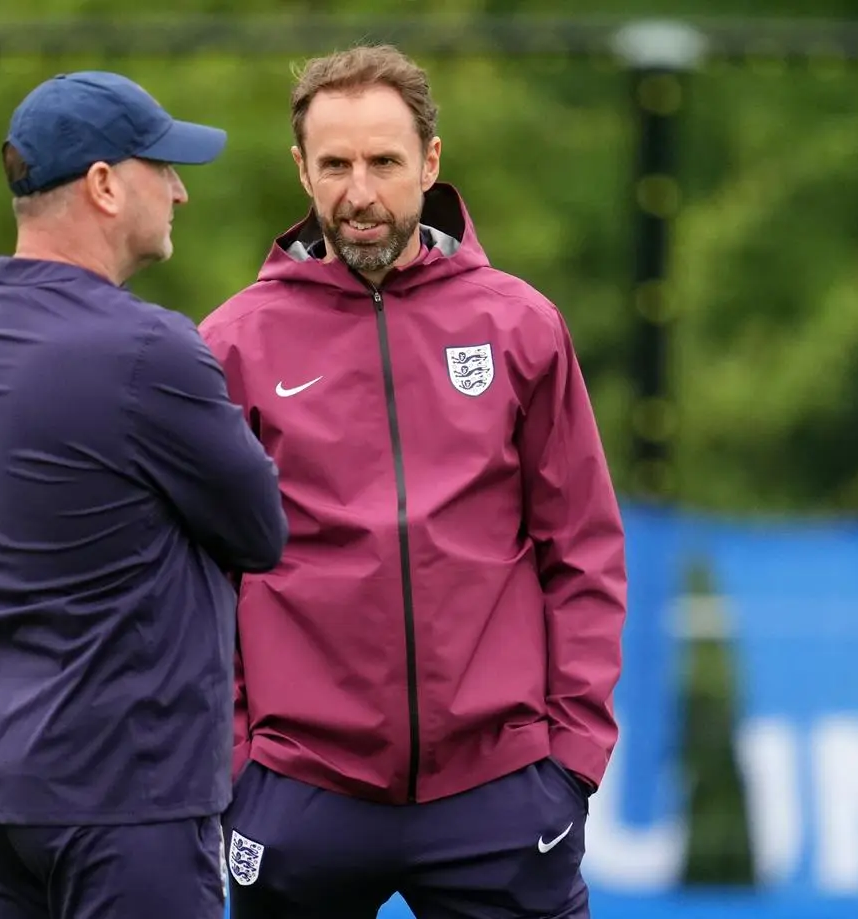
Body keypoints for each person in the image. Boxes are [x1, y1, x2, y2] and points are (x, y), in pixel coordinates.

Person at [198, 44, 627, 919]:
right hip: (298, 788)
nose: (361, 193)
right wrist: (240, 765)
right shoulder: (234, 343)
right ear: (302, 170)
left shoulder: (519, 325)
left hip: (502, 788)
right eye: (336, 165)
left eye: (385, 162)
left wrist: (570, 757)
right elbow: (200, 577)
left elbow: (581, 547)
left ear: (430, 162)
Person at [0, 71, 289, 919]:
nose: (180, 190)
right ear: (103, 185)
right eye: (162, 166)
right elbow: (261, 530)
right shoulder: (147, 349)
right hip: (129, 800)